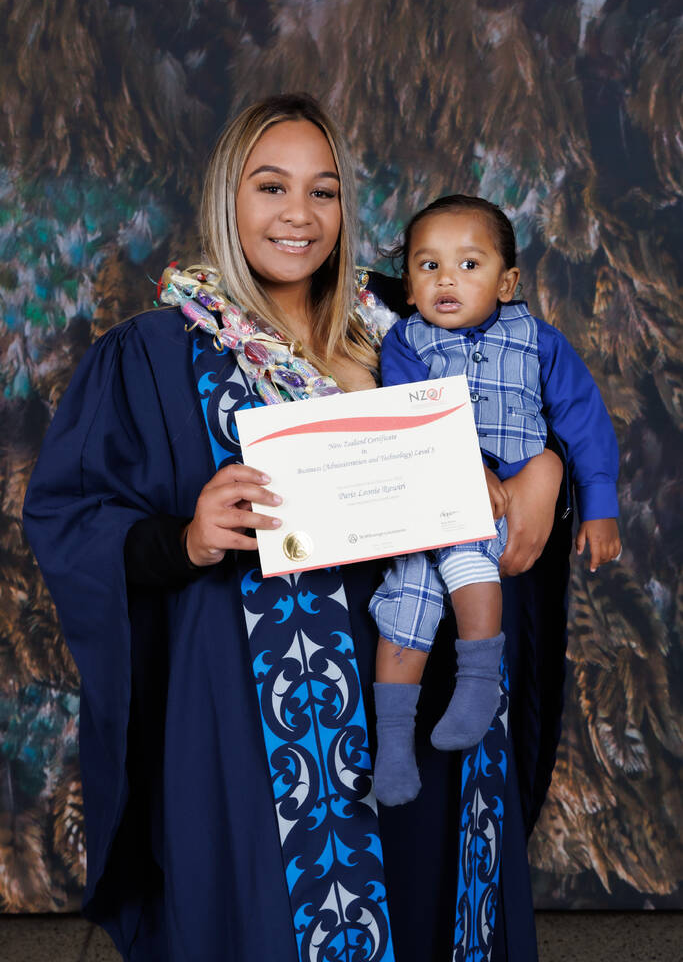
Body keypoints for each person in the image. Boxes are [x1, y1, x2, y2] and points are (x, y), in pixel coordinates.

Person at [23, 96, 567, 962]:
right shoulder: (160, 354)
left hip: (426, 692)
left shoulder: (409, 321)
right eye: (270, 186)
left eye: (323, 192)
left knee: (431, 904)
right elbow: (70, 516)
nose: (298, 216)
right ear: (225, 199)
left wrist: (545, 472)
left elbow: (534, 410)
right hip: (267, 717)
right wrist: (188, 536)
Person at [370, 195, 621, 808]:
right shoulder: (406, 343)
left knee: (470, 564)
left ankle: (478, 684)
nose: (447, 279)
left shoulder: (538, 341)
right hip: (428, 505)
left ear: (507, 282)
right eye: (427, 266)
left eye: (469, 265)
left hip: (500, 510)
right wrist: (456, 461)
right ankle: (393, 746)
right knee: (406, 606)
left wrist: (600, 504)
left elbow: (583, 420)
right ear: (407, 285)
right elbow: (403, 416)